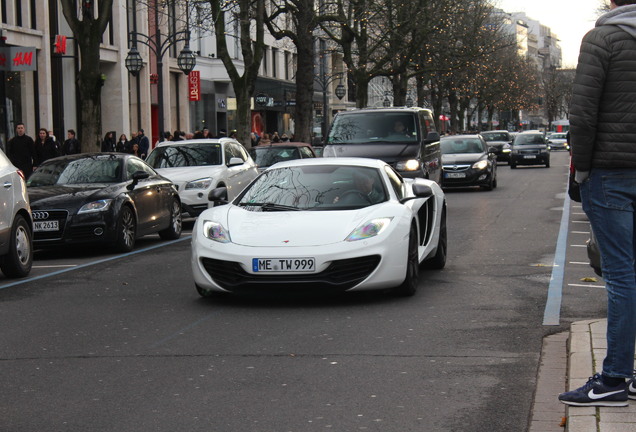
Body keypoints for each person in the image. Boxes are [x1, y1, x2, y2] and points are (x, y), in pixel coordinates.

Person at [558, 0, 636, 408]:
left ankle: (614, 379)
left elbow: (583, 114)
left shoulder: (602, 38)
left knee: (622, 275)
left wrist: (581, 171)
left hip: (611, 172)